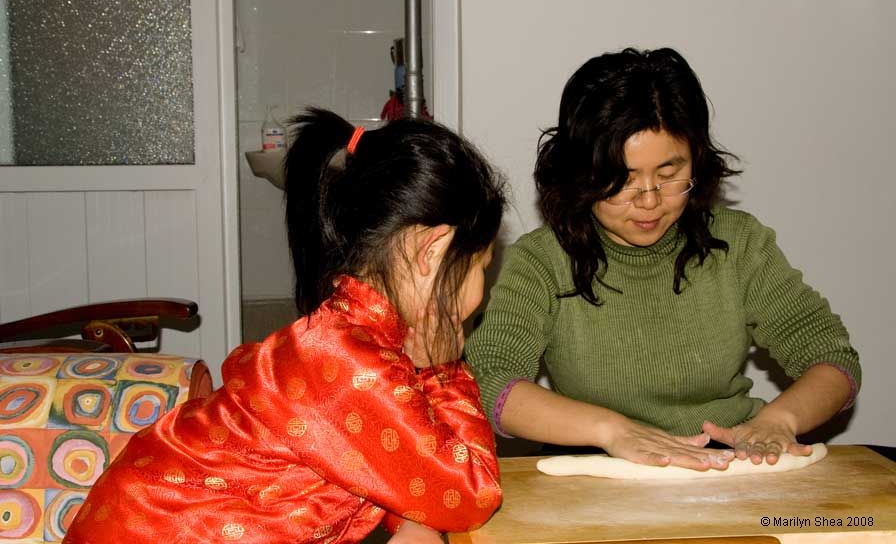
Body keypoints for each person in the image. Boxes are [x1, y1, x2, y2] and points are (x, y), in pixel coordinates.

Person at [64, 109, 506, 543]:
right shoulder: (352, 362)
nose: (483, 289)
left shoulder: (350, 337)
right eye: (483, 266)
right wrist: (443, 371)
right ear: (431, 251)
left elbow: (401, 470)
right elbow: (469, 496)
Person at [465, 47, 860, 472]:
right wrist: (613, 432)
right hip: (597, 465)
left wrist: (779, 420)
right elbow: (489, 381)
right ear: (582, 172)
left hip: (728, 461)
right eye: (623, 180)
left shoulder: (739, 243)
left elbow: (831, 356)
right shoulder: (542, 260)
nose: (650, 201)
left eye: (670, 175)